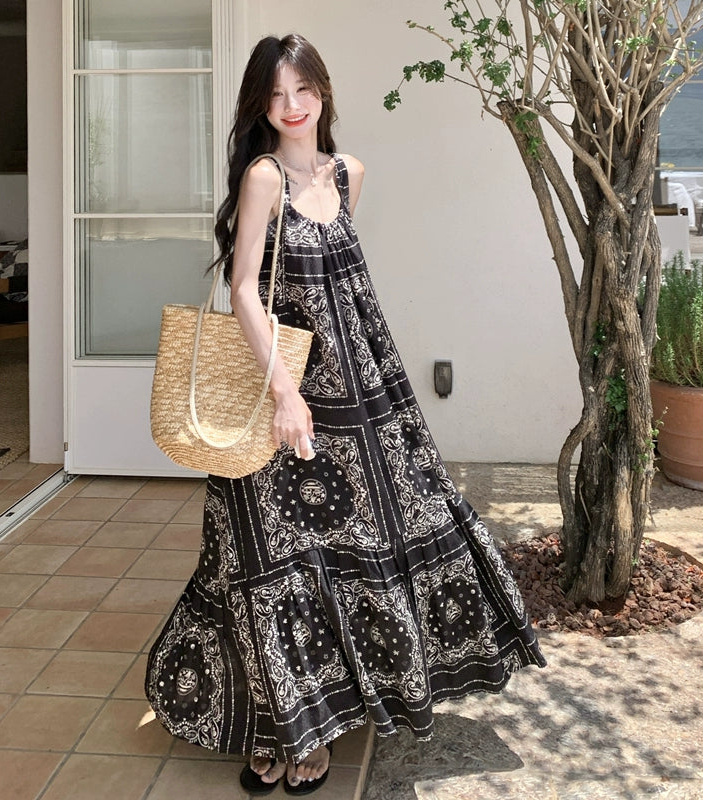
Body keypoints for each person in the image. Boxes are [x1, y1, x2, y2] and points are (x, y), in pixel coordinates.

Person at [145, 33, 546, 795]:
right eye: (276, 94)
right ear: (260, 105)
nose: (291, 106)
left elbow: (343, 293)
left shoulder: (349, 172)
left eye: (303, 90)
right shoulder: (264, 176)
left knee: (363, 539)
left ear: (323, 92)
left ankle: (323, 719)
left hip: (361, 389)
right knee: (265, 560)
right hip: (284, 391)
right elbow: (243, 289)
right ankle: (276, 725)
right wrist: (284, 393)